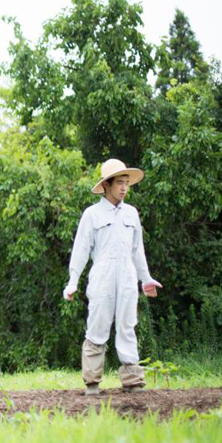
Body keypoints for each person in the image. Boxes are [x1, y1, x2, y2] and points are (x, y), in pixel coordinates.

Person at [63, 159, 163, 396]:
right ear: (106, 185)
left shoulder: (131, 213)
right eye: (120, 183)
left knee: (128, 326)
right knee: (97, 326)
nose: (124, 188)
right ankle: (92, 383)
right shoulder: (92, 214)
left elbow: (137, 250)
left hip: (127, 276)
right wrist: (73, 281)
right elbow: (81, 250)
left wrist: (145, 278)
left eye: (127, 183)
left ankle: (133, 381)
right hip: (102, 276)